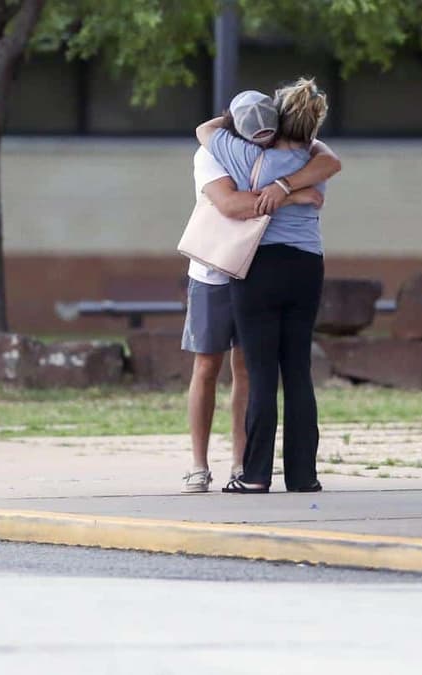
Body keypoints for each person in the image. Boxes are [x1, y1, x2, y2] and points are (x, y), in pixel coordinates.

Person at [180, 90, 330, 493]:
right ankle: (200, 463)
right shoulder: (215, 153)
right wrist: (291, 192)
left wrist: (278, 188)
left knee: (251, 370)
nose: (263, 133)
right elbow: (231, 205)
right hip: (217, 267)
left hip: (258, 270)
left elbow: (327, 159)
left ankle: (245, 464)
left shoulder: (270, 147)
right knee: (209, 365)